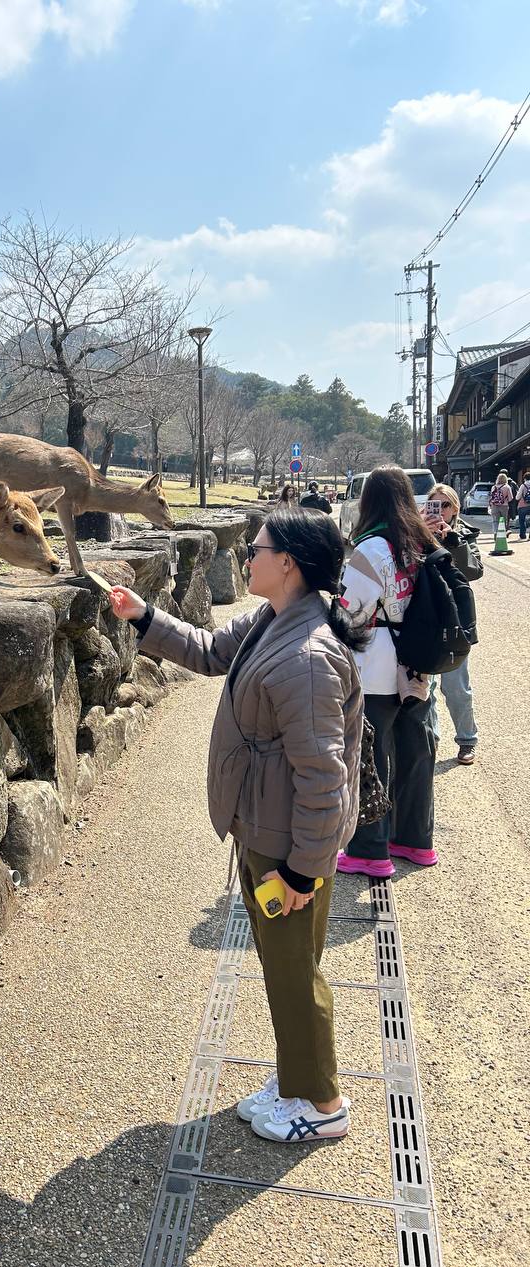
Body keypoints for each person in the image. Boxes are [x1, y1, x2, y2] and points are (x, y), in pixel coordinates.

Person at [110, 510, 364, 1144]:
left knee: (292, 971)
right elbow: (205, 651)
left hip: (285, 848)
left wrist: (303, 868)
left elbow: (323, 779)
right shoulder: (273, 621)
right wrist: (143, 617)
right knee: (286, 967)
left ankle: (323, 1103)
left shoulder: (306, 657)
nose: (247, 557)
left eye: (257, 549)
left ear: (290, 564)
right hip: (265, 829)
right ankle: (295, 1079)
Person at [336, 465, 440, 878]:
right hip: (418, 664)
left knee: (371, 756)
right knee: (415, 752)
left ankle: (370, 849)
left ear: (370, 501)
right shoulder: (423, 543)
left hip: (378, 665)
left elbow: (351, 613)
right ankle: (414, 841)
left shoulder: (371, 550)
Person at [424, 484, 483, 765]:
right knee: (427, 687)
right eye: (434, 505)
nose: (441, 512)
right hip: (425, 617)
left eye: (445, 505)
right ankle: (431, 737)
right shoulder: (418, 532)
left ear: (455, 508)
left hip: (456, 618)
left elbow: (473, 570)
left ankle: (467, 739)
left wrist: (453, 542)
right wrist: (421, 535)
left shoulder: (465, 536)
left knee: (456, 686)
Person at [516, 470, 530, 540]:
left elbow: (517, 497)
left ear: (524, 478)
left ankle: (523, 535)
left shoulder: (523, 485)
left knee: (522, 520)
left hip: (523, 506)